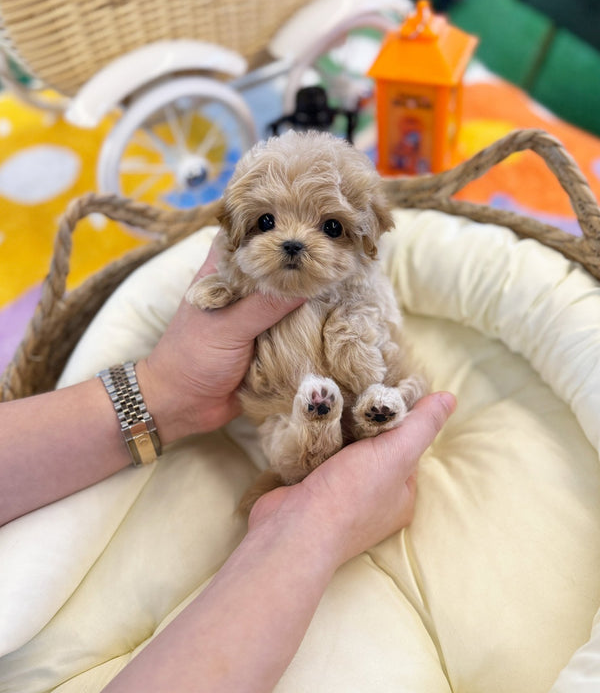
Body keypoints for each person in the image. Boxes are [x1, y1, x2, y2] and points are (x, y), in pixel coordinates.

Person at [0, 238, 456, 692]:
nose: (295, 241)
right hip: (292, 408)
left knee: (390, 382)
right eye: (266, 222)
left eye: (331, 225)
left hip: (365, 373)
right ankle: (320, 424)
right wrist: (320, 517)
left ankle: (368, 407)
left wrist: (165, 389)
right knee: (295, 429)